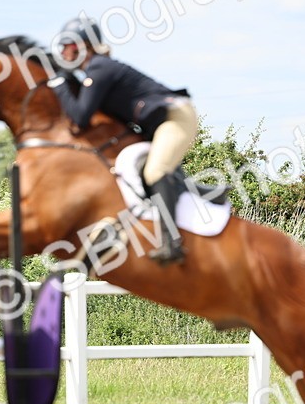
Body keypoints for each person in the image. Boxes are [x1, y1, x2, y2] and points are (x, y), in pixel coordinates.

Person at [49, 16, 196, 265]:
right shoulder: (94, 71)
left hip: (176, 118)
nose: (64, 53)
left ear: (85, 46)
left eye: (69, 47)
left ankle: (172, 243)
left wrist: (60, 83)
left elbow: (80, 117)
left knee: (155, 171)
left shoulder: (99, 68)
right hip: (158, 123)